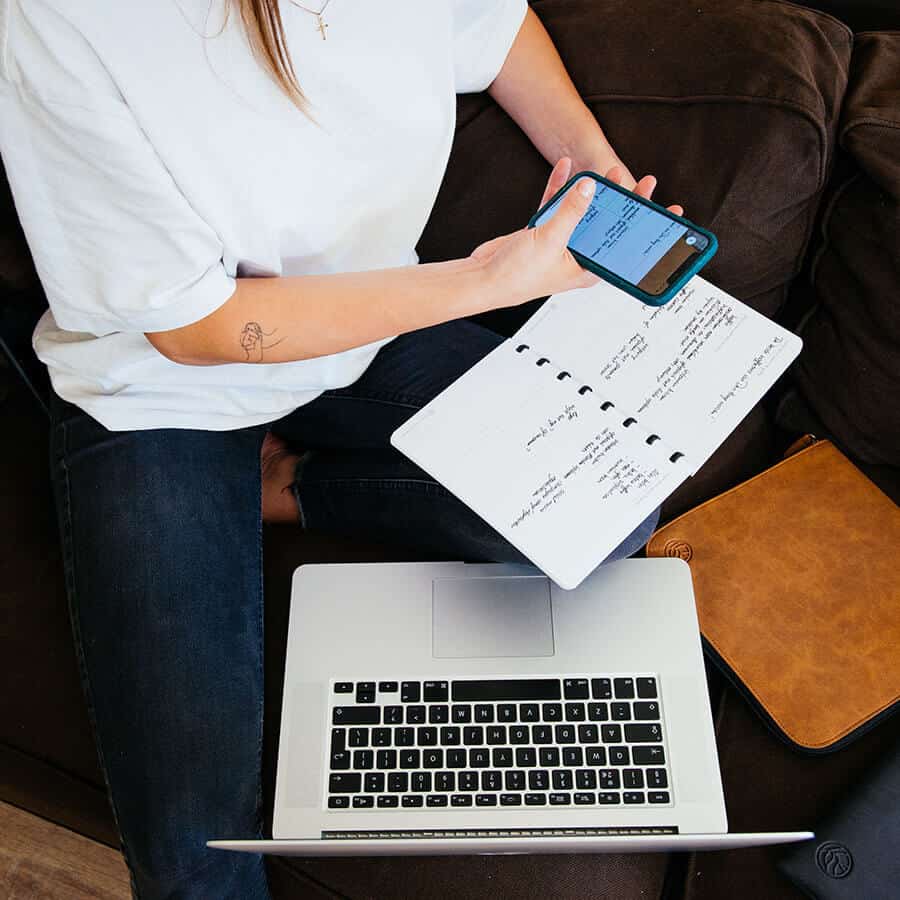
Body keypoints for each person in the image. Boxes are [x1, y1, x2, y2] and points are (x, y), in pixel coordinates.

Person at [0, 2, 684, 897]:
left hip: (369, 320)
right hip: (166, 390)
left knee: (615, 504)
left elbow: (494, 24)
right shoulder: (57, 22)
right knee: (194, 864)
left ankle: (284, 489)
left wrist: (592, 176)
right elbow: (196, 329)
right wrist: (489, 279)